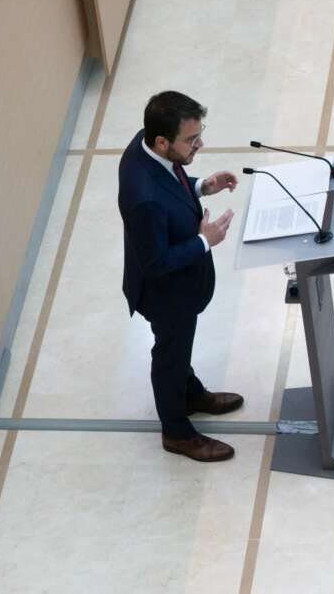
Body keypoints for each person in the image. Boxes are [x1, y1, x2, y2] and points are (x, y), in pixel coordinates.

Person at [117, 91, 243, 462]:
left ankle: (191, 395)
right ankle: (176, 431)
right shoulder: (144, 198)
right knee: (170, 357)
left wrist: (202, 185)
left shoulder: (146, 148)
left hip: (181, 287)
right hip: (166, 294)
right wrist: (206, 241)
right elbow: (155, 263)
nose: (199, 144)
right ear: (162, 140)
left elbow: (172, 179)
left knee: (178, 351)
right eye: (191, 140)